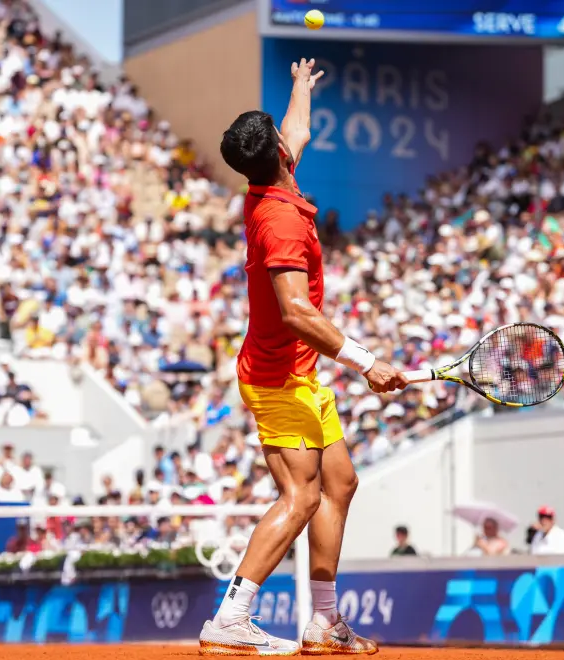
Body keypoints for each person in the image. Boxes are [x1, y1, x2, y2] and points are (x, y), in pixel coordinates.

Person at [199, 57, 408, 657]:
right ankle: (231, 618)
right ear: (279, 158)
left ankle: (323, 622)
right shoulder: (281, 222)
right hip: (276, 376)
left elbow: (295, 132)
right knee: (301, 497)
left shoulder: (270, 179)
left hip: (301, 371)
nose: (291, 144)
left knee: (339, 483)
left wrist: (298, 88)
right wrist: (367, 361)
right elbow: (295, 311)